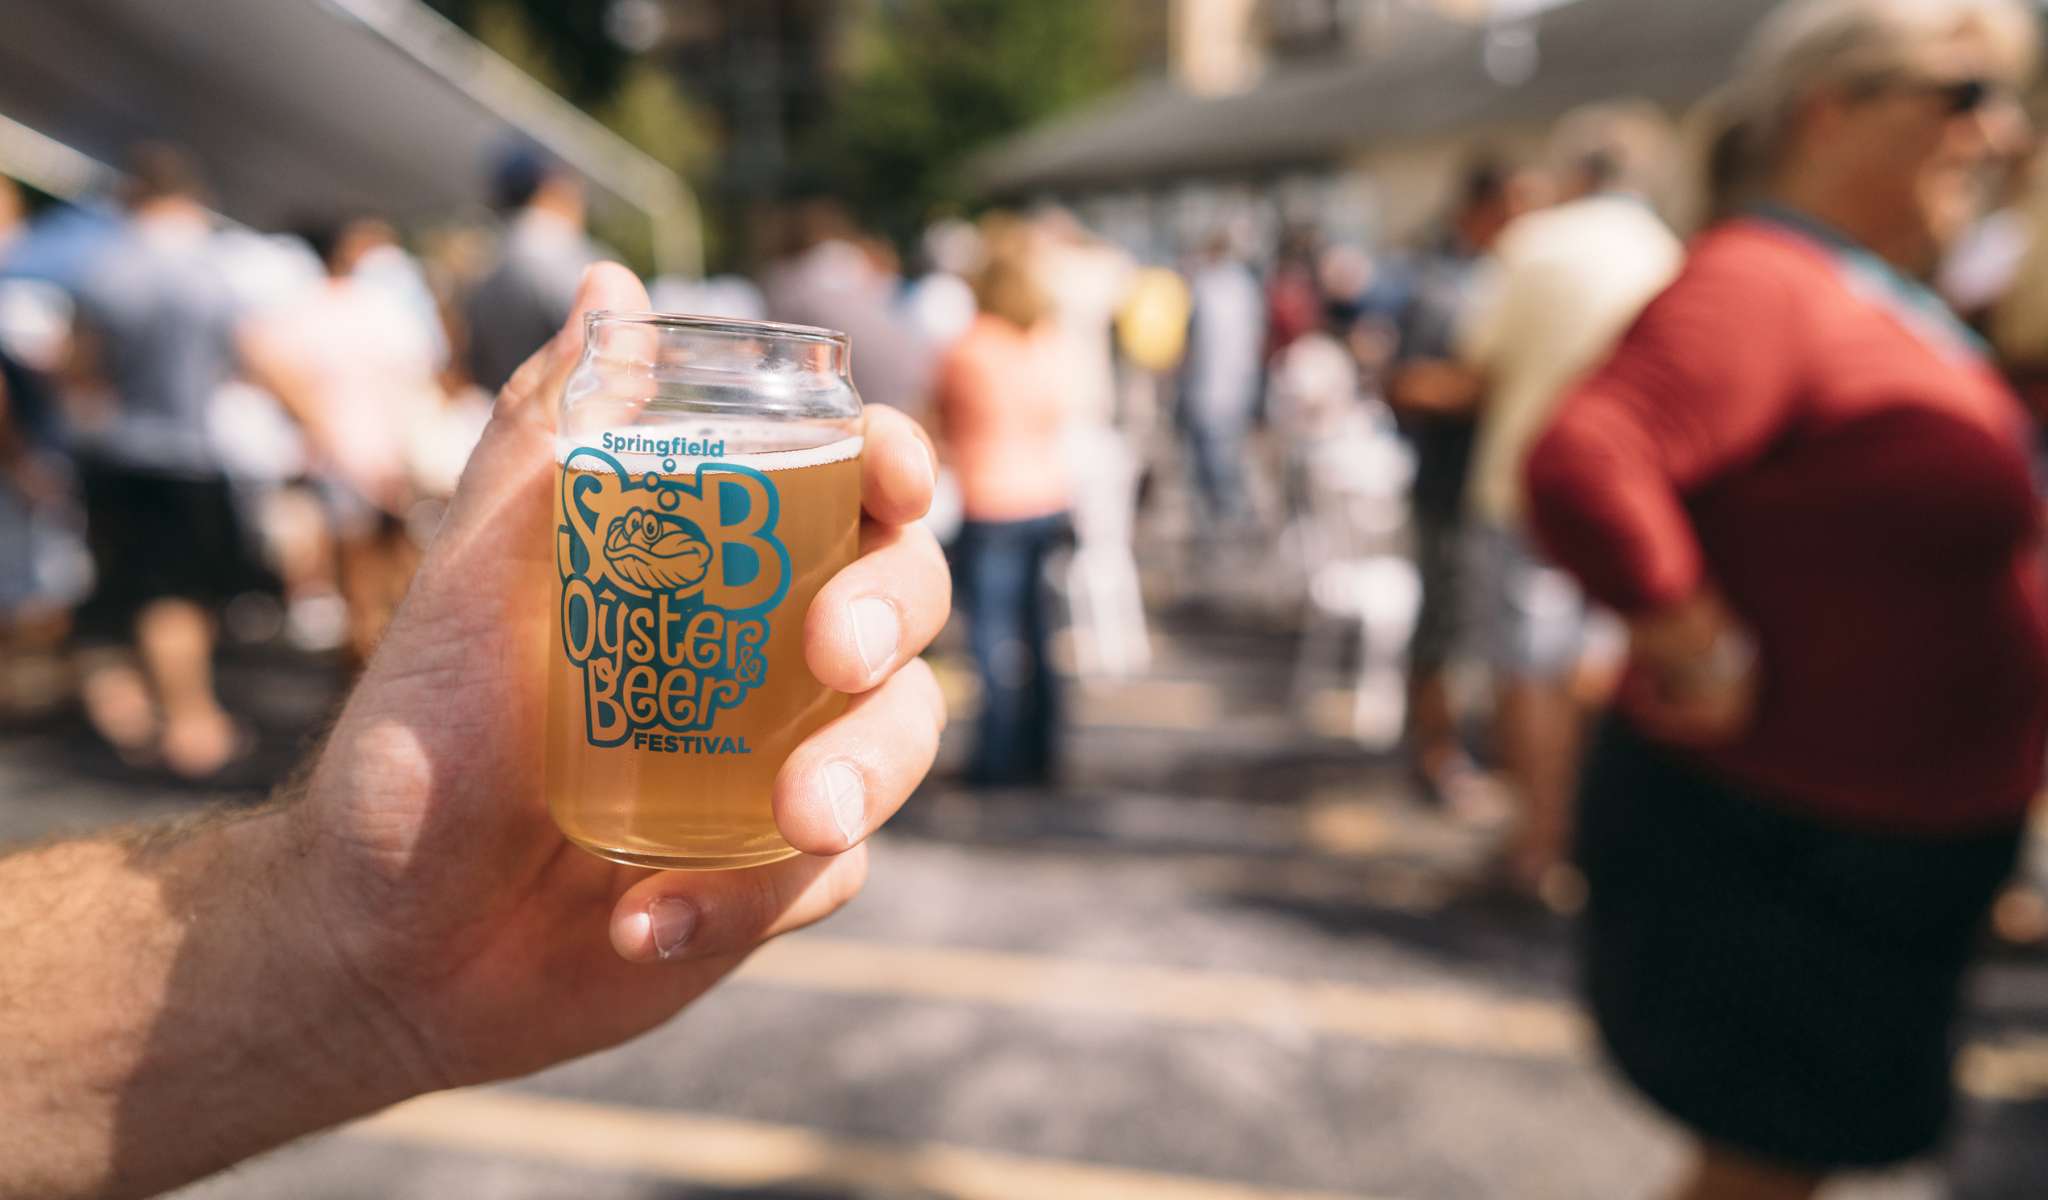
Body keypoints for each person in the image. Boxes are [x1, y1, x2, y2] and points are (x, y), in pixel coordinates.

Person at [0, 262, 950, 1199]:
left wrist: (334, 954)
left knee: (839, 639)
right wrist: (336, 944)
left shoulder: (800, 410)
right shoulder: (608, 397)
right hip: (545, 831)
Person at [1523, 3, 2040, 1196]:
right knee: (1758, 1174)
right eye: (1964, 96)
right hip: (1788, 854)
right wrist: (1689, 638)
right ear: (1831, 108)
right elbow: (1586, 463)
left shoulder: (1858, 287)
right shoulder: (1766, 279)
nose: (1999, 133)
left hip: (1871, 844)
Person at [1458, 107, 1683, 896]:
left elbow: (1477, 366)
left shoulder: (1537, 245)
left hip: (1526, 485)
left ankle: (1538, 841)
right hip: (1634, 495)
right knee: (1595, 666)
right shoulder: (1670, 253)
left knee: (1529, 671)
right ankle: (1589, 833)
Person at [62, 145, 263, 778]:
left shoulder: (106, 268)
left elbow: (79, 368)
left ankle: (145, 706)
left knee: (137, 589)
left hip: (121, 451)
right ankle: (191, 724)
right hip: (189, 452)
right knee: (177, 594)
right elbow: (254, 355)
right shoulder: (211, 268)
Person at [1387, 154, 1539, 811]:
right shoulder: (1444, 285)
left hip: (1500, 486)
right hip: (1452, 484)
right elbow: (1408, 382)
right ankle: (1434, 752)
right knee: (1444, 626)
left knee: (1501, 631)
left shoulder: (1513, 281)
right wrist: (1493, 389)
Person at [243, 216, 447, 662]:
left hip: (349, 459)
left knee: (370, 584)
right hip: (374, 458)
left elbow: (262, 363)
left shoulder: (304, 309)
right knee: (386, 582)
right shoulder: (384, 310)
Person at [937, 229, 1072, 786]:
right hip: (1045, 494)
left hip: (991, 498)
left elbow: (943, 419)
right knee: (1040, 631)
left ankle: (996, 755)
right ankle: (1043, 747)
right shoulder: (1042, 340)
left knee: (991, 634)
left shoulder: (970, 347)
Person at [463, 146, 599, 396]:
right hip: (565, 413)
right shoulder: (559, 251)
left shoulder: (488, 258)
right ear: (551, 189)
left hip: (500, 407)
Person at [1180, 228, 1266, 529]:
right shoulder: (1242, 285)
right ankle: (1232, 516)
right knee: (1226, 453)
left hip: (1218, 386)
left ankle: (1230, 519)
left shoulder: (1212, 287)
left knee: (1219, 456)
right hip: (1233, 383)